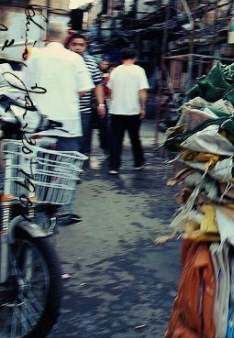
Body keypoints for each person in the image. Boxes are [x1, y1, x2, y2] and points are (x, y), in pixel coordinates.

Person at [23, 21, 94, 225]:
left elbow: (24, 87)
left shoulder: (33, 56)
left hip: (38, 124)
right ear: (65, 37)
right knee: (66, 167)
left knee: (39, 167)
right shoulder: (74, 58)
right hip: (67, 123)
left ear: (45, 37)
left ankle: (37, 206)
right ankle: (64, 209)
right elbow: (83, 90)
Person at [104, 48, 149, 175]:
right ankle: (138, 162)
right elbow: (142, 91)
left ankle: (114, 167)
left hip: (116, 110)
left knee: (116, 139)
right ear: (135, 58)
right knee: (135, 138)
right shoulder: (139, 70)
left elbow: (110, 90)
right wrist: (143, 107)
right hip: (133, 110)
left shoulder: (115, 71)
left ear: (121, 58)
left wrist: (113, 103)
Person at [66, 33, 105, 166]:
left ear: (86, 47)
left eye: (81, 45)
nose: (78, 48)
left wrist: (101, 104)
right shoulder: (63, 60)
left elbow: (98, 84)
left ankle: (77, 168)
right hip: (64, 109)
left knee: (81, 141)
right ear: (69, 45)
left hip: (84, 110)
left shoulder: (91, 63)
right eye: (74, 44)